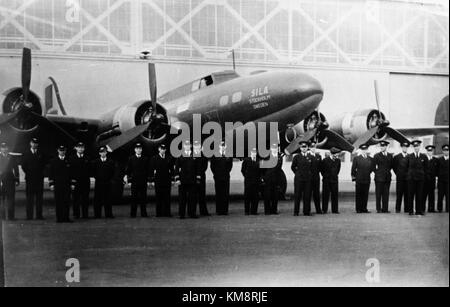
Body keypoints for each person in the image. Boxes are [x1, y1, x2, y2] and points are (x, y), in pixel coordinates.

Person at [21, 138, 47, 220]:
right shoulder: (26, 153)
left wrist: (40, 173)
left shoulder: (41, 153)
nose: (34, 144)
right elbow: (23, 166)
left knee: (39, 198)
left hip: (39, 179)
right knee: (29, 198)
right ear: (30, 143)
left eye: (36, 143)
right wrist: (29, 173)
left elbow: (44, 165)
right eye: (33, 143)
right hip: (30, 178)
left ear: (38, 144)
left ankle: (39, 215)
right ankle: (29, 216)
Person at [48, 145, 74, 223]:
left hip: (67, 184)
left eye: (63, 150)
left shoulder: (69, 160)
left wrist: (72, 184)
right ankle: (59, 218)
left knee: (66, 202)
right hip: (58, 184)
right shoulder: (53, 161)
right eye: (60, 150)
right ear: (58, 151)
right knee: (58, 202)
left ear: (65, 151)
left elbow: (72, 173)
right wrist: (51, 184)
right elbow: (51, 173)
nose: (62, 152)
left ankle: (66, 218)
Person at [175, 140, 198, 219]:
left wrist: (197, 178)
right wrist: (177, 179)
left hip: (192, 180)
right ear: (184, 146)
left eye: (189, 145)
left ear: (191, 146)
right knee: (182, 198)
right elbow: (177, 168)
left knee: (192, 198)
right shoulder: (180, 156)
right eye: (186, 145)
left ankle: (192, 213)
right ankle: (182, 214)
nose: (187, 146)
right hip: (183, 180)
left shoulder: (194, 156)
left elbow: (197, 168)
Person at [126, 143, 149, 218]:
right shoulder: (131, 158)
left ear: (141, 150)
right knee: (134, 198)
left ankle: (144, 213)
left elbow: (147, 170)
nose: (138, 150)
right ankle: (133, 214)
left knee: (143, 198)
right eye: (137, 148)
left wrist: (148, 180)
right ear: (135, 150)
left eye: (140, 148)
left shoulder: (145, 159)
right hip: (134, 181)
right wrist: (129, 181)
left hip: (143, 181)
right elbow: (128, 170)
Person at [150, 144, 173, 217]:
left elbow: (171, 170)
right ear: (159, 149)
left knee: (167, 198)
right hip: (158, 181)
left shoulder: (169, 158)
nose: (163, 150)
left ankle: (167, 213)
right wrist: (152, 180)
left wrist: (172, 180)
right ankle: (158, 213)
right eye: (161, 148)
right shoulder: (154, 158)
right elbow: (152, 170)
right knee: (158, 198)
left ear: (165, 150)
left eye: (164, 149)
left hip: (167, 180)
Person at [91, 146, 115, 219]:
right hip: (99, 183)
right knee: (98, 200)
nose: (103, 153)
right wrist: (98, 178)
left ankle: (109, 214)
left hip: (107, 183)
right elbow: (94, 172)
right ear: (99, 153)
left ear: (106, 152)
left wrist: (109, 179)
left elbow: (113, 172)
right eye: (101, 152)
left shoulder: (110, 162)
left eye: (104, 152)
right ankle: (97, 215)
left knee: (108, 199)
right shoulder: (96, 162)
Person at [210, 141, 233, 215]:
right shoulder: (215, 155)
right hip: (218, 177)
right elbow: (212, 166)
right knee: (219, 194)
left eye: (224, 146)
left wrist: (226, 173)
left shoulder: (229, 155)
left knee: (226, 194)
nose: (223, 147)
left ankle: (225, 210)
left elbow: (230, 166)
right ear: (219, 146)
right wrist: (216, 174)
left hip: (226, 177)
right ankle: (219, 210)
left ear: (226, 147)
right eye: (221, 145)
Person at [70, 142, 91, 219]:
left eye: (82, 147)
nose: (80, 149)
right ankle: (76, 214)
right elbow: (70, 171)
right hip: (76, 182)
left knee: (85, 199)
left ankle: (85, 214)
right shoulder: (71, 158)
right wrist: (72, 182)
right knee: (76, 199)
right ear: (76, 148)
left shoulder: (87, 158)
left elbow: (90, 170)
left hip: (85, 182)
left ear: (84, 148)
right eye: (79, 147)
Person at [292, 141, 312, 216]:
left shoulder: (310, 157)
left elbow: (312, 168)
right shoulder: (296, 157)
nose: (304, 149)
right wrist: (298, 174)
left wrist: (309, 175)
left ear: (307, 148)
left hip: (307, 180)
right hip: (299, 180)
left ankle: (306, 211)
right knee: (297, 195)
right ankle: (296, 211)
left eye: (305, 147)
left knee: (307, 196)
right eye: (302, 147)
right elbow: (293, 167)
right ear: (300, 148)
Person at [407, 140, 427, 216]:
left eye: (417, 146)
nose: (416, 148)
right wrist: (409, 176)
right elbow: (406, 167)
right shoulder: (409, 156)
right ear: (413, 147)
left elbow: (426, 167)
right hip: (411, 179)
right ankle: (411, 211)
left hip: (420, 180)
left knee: (419, 195)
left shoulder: (423, 156)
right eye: (415, 146)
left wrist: (423, 176)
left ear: (420, 147)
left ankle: (419, 210)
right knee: (411, 195)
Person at [351, 144, 374, 213]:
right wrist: (354, 179)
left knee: (365, 195)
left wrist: (366, 174)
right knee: (358, 195)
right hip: (359, 180)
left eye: (365, 150)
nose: (364, 151)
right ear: (361, 150)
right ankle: (358, 209)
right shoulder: (357, 158)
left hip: (367, 179)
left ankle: (364, 208)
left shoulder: (370, 159)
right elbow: (353, 170)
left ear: (367, 150)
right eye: (363, 150)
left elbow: (371, 169)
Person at [262, 144, 283, 215]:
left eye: (276, 148)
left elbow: (279, 170)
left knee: (275, 196)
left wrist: (280, 180)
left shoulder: (280, 158)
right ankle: (267, 211)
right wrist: (263, 178)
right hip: (268, 179)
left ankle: (274, 210)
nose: (274, 149)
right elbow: (263, 169)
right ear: (271, 149)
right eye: (273, 148)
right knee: (267, 196)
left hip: (276, 179)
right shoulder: (266, 157)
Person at [0, 143, 19, 220]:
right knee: (2, 200)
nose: (4, 149)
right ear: (0, 149)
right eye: (2, 148)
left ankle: (11, 216)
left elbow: (16, 169)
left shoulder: (12, 157)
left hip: (10, 180)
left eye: (5, 147)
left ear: (7, 148)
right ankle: (2, 216)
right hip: (1, 180)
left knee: (11, 199)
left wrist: (17, 179)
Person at [373, 141, 393, 213]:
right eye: (381, 146)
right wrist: (378, 173)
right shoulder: (376, 156)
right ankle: (378, 209)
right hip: (379, 178)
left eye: (383, 146)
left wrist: (386, 172)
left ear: (386, 147)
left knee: (386, 194)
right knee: (378, 194)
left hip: (387, 178)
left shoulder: (390, 156)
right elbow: (373, 166)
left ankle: (385, 209)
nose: (382, 147)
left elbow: (391, 165)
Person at [321, 148, 341, 214]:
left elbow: (338, 170)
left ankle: (335, 210)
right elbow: (322, 170)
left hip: (334, 180)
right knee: (325, 195)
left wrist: (334, 176)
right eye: (337, 154)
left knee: (335, 195)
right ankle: (324, 209)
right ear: (333, 154)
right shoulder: (325, 160)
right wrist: (326, 176)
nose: (337, 155)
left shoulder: (338, 161)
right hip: (326, 180)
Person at [241, 148, 261, 215]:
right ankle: (247, 211)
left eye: (255, 152)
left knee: (255, 197)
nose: (254, 153)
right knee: (247, 196)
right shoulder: (246, 160)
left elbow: (260, 171)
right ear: (250, 153)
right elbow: (243, 170)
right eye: (253, 152)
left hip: (256, 181)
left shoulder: (259, 160)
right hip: (248, 181)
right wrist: (247, 177)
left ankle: (254, 211)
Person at [193, 141, 210, 216]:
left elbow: (205, 166)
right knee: (193, 195)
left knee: (202, 195)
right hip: (192, 177)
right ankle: (192, 212)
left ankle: (203, 212)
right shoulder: (190, 155)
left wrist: (199, 174)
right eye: (196, 146)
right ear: (194, 147)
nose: (197, 147)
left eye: (198, 146)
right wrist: (195, 175)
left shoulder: (204, 155)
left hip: (202, 177)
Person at [393, 142, 410, 213]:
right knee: (399, 194)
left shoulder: (410, 156)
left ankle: (407, 209)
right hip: (400, 179)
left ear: (407, 148)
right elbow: (394, 167)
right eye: (403, 147)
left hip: (407, 179)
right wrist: (398, 174)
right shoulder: (397, 157)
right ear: (401, 148)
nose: (404, 148)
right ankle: (397, 209)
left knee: (407, 194)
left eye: (406, 147)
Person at [309, 141, 322, 214]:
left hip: (316, 178)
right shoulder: (307, 156)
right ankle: (308, 210)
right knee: (308, 194)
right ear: (309, 148)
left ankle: (318, 210)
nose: (313, 149)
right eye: (311, 147)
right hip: (309, 178)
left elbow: (321, 167)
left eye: (314, 147)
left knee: (317, 194)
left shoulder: (318, 156)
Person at [423, 145, 438, 213]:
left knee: (432, 195)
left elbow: (437, 170)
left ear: (433, 151)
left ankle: (431, 208)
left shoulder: (435, 160)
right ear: (427, 151)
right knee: (424, 195)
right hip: (425, 180)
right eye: (429, 151)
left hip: (432, 180)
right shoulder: (423, 159)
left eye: (431, 151)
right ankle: (422, 208)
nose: (430, 152)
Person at [437, 144, 449, 213]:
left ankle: (448, 209)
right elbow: (437, 170)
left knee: (448, 195)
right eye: (444, 150)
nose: (446, 152)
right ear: (442, 151)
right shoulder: (439, 159)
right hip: (441, 180)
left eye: (447, 150)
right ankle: (439, 208)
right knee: (440, 195)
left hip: (448, 181)